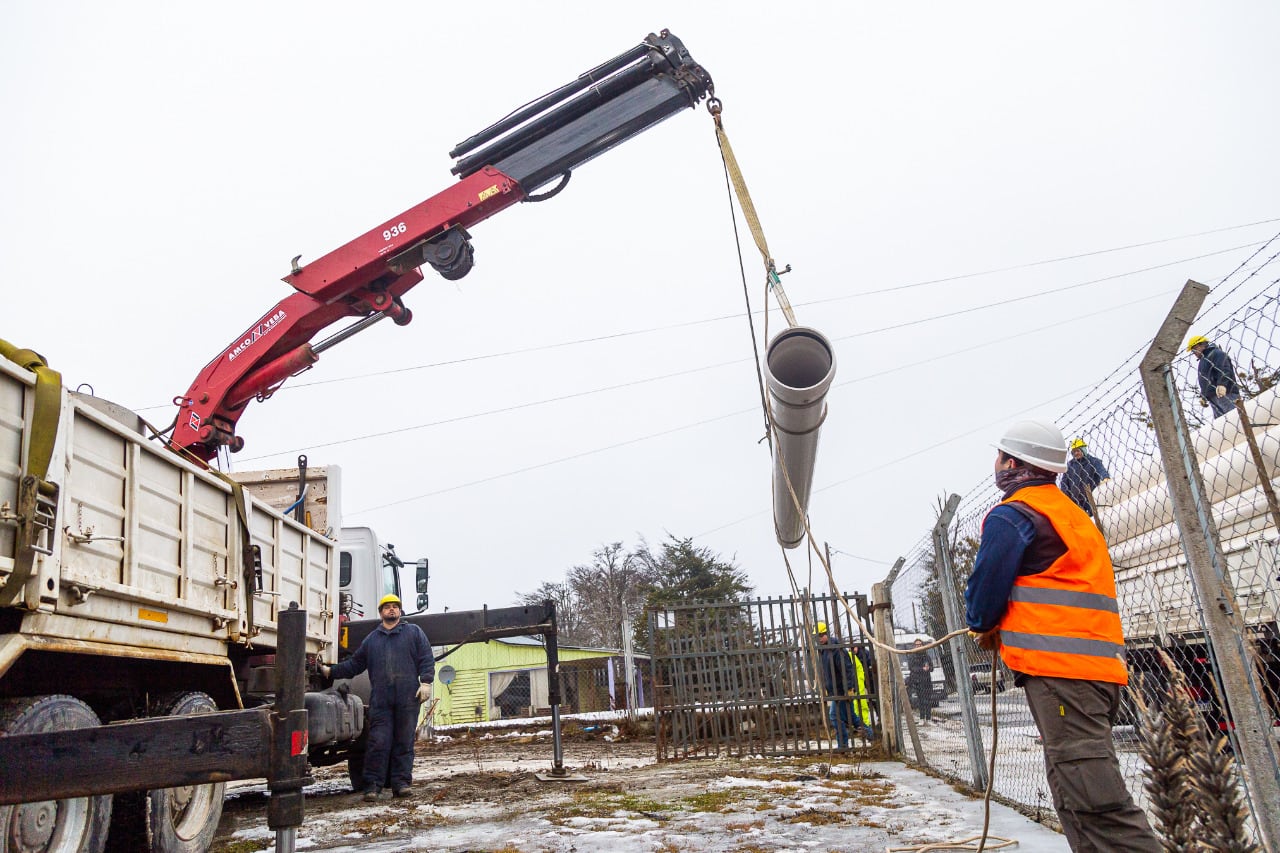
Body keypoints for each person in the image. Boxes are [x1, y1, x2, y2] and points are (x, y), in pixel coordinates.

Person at [964, 419, 1159, 852]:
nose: (995, 464)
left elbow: (984, 593)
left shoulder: (1013, 515)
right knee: (1073, 797)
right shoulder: (1071, 513)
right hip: (1097, 674)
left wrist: (984, 622)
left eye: (999, 456)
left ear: (1013, 463)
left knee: (1098, 805)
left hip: (1061, 676)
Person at [321, 593, 435, 801]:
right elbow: (354, 664)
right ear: (381, 612)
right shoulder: (372, 640)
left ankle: (401, 784)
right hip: (381, 701)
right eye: (387, 607)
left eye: (395, 606)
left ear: (400, 611)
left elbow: (426, 658)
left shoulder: (414, 633)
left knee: (404, 742)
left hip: (407, 699)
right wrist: (331, 672)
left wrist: (426, 682)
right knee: (378, 743)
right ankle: (372, 786)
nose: (391, 609)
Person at [814, 622, 873, 746]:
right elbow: (827, 673)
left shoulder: (836, 649)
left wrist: (850, 688)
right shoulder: (823, 651)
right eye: (817, 636)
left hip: (842, 690)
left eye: (820, 635)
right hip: (835, 690)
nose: (819, 638)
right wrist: (826, 688)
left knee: (835, 716)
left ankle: (843, 746)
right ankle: (871, 735)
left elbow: (847, 670)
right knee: (852, 718)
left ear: (826, 634)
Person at [1188, 334, 1241, 418]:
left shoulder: (1216, 353)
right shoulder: (1203, 361)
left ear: (1201, 345)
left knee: (1234, 418)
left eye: (1194, 349)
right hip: (1213, 396)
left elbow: (1224, 369)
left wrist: (1222, 384)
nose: (1194, 353)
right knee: (1223, 424)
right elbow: (1205, 380)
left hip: (1226, 393)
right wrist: (1203, 396)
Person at [1061, 438, 1110, 516]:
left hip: (1092, 497)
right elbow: (1064, 484)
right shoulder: (1070, 466)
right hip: (1076, 501)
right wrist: (1066, 497)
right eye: (1073, 452)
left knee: (1095, 516)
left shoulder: (1093, 461)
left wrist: (1105, 477)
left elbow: (1101, 470)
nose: (1076, 453)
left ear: (1083, 450)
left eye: (1078, 451)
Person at [906, 639, 935, 722]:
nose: (918, 646)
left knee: (928, 700)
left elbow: (932, 667)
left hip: (927, 681)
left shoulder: (926, 656)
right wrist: (922, 669)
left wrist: (928, 668)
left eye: (920, 644)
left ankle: (928, 718)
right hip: (917, 681)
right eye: (917, 645)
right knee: (921, 700)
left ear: (922, 645)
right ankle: (922, 718)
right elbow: (911, 668)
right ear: (914, 646)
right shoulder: (912, 656)